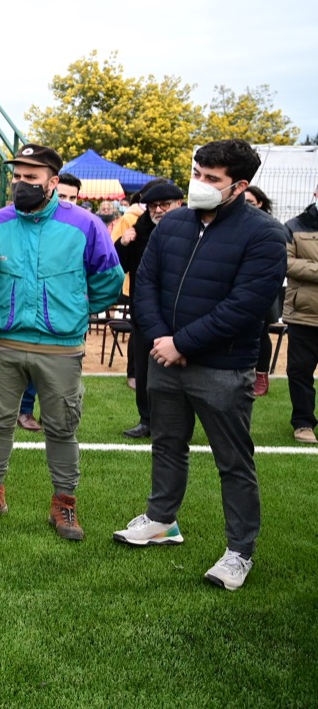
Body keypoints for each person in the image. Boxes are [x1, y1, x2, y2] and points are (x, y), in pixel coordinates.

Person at [118, 139, 287, 591]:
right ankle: (161, 520)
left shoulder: (265, 234)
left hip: (223, 368)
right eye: (197, 173)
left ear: (239, 186)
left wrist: (184, 343)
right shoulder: (172, 223)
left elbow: (246, 306)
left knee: (233, 462)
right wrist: (160, 339)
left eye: (212, 179)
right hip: (164, 358)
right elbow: (146, 282)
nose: (200, 184)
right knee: (167, 444)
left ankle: (239, 551)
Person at [0, 144, 123, 540]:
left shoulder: (86, 224)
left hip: (60, 346)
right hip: (4, 341)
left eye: (31, 177)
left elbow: (108, 280)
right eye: (17, 176)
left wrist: (73, 310)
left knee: (62, 427)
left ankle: (64, 505)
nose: (21, 184)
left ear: (53, 182)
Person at [114, 181, 184, 439]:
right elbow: (115, 266)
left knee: (182, 374)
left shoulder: (195, 230)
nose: (158, 210)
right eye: (153, 205)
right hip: (143, 314)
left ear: (179, 203)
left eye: (164, 205)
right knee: (144, 372)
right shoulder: (138, 230)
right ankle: (146, 421)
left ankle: (176, 424)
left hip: (181, 316)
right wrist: (123, 243)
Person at [17, 172, 84, 431]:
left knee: (62, 377)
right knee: (30, 372)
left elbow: (102, 279)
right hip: (29, 320)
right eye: (63, 195)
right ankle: (25, 411)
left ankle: (53, 413)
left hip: (65, 322)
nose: (67, 200)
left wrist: (79, 307)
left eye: (73, 197)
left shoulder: (82, 228)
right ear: (53, 190)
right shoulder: (26, 225)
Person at [285, 188, 318, 443]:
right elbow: (284, 261)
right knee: (300, 372)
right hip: (303, 315)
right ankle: (303, 423)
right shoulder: (294, 226)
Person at [242, 186, 281, 397]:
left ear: (261, 204)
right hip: (238, 288)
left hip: (263, 289)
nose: (246, 206)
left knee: (261, 332)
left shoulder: (271, 227)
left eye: (251, 202)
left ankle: (261, 376)